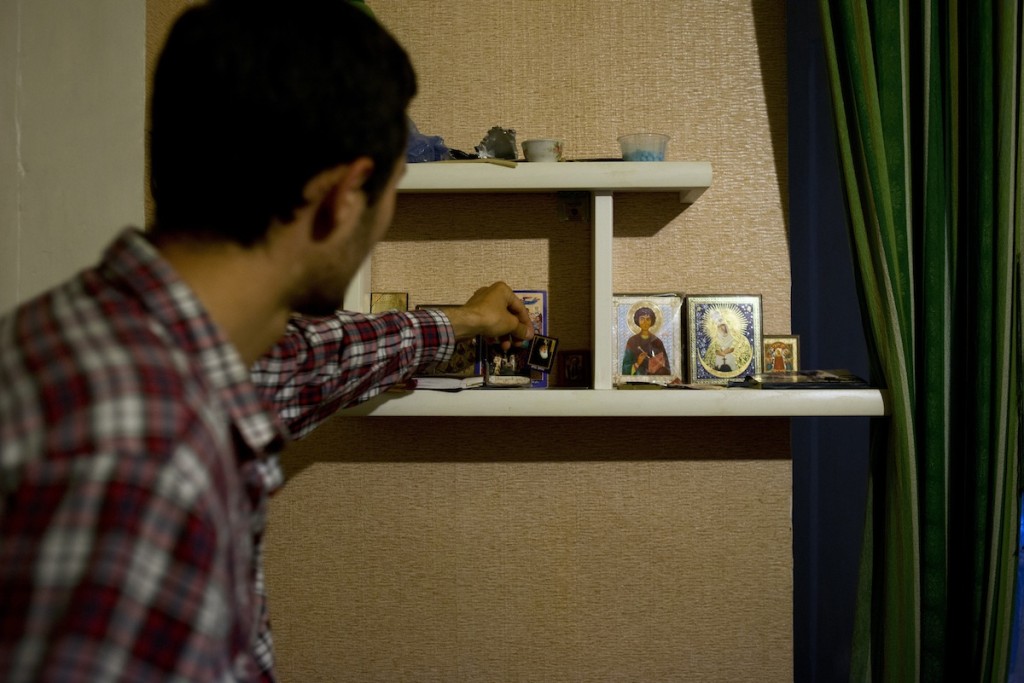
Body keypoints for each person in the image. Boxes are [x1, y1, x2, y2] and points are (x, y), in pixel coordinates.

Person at [0, 2, 533, 681]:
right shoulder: (148, 459)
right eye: (392, 189)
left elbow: (314, 359)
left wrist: (462, 321)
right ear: (342, 198)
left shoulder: (123, 337)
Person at [621, 306, 670, 376]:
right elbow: (625, 368)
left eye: (648, 319)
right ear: (637, 320)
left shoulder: (657, 341)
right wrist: (638, 363)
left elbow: (666, 368)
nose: (645, 322)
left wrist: (657, 364)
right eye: (642, 319)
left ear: (651, 321)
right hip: (636, 381)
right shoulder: (632, 341)